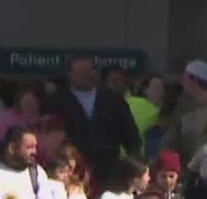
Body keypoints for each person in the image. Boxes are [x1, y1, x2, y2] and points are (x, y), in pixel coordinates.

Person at [49, 56, 143, 186]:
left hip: (109, 172)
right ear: (70, 75)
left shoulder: (114, 101)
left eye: (89, 71)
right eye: (81, 72)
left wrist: (132, 169)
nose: (86, 76)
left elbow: (132, 139)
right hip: (72, 173)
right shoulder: (57, 102)